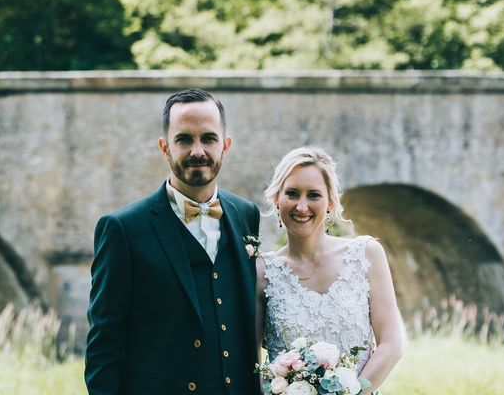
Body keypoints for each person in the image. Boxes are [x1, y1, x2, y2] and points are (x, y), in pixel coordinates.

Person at [85, 88, 261, 395]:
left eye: (208, 138)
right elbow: (104, 345)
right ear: (165, 147)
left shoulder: (246, 215)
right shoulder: (122, 230)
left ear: (226, 145)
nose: (197, 151)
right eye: (184, 139)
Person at [256, 147, 403, 394]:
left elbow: (391, 345)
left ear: (331, 202)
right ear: (276, 199)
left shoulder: (366, 254)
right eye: (292, 193)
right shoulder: (262, 272)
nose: (301, 206)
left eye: (313, 195)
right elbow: (252, 363)